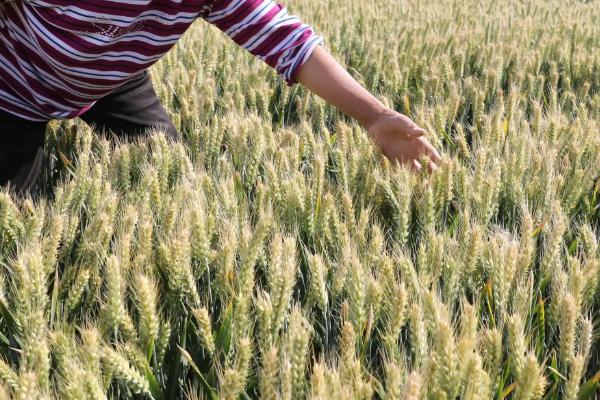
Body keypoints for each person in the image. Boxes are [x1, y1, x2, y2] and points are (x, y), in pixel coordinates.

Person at [0, 0, 442, 195]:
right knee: (18, 215)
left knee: (169, 179)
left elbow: (285, 39)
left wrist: (375, 116)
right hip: (14, 88)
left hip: (115, 81)